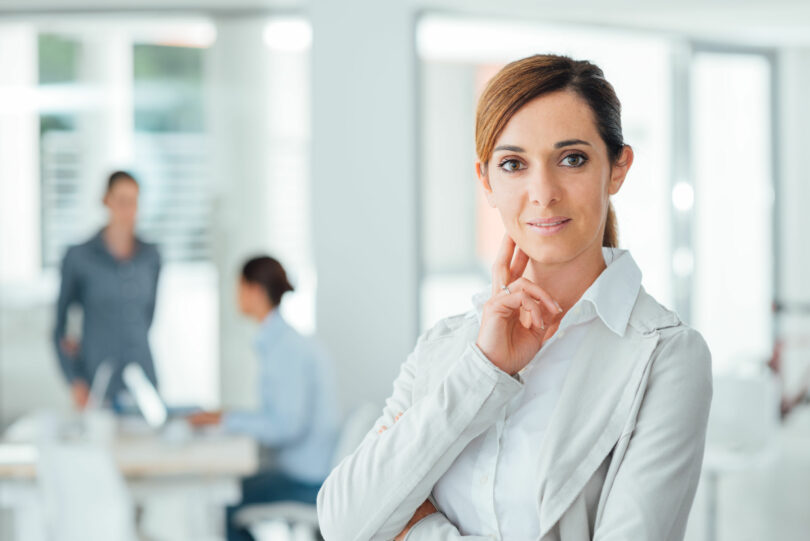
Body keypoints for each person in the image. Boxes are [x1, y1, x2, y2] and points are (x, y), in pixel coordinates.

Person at [317, 54, 713, 541]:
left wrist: (418, 530)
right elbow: (342, 521)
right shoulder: (447, 346)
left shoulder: (666, 355)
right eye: (513, 164)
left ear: (617, 168)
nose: (543, 193)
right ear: (486, 181)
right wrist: (483, 369)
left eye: (572, 159)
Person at [188, 255, 340, 541]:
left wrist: (227, 419)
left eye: (239, 286)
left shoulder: (287, 349)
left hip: (305, 480)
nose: (235, 295)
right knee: (228, 491)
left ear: (255, 290)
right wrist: (228, 416)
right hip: (305, 471)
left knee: (224, 502)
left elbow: (286, 426)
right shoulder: (282, 342)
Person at [53, 170, 161, 409]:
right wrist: (75, 380)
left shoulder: (151, 257)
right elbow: (61, 328)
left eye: (133, 202)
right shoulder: (79, 257)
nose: (128, 210)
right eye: (121, 201)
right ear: (106, 201)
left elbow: (148, 316)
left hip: (142, 379)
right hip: (97, 380)